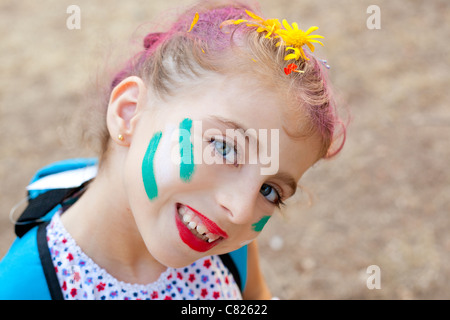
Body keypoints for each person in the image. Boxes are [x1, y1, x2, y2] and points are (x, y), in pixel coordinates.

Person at [0, 0, 345, 300]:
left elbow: (254, 297)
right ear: (130, 112)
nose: (240, 210)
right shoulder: (27, 287)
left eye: (269, 190)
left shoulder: (217, 235)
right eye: (225, 148)